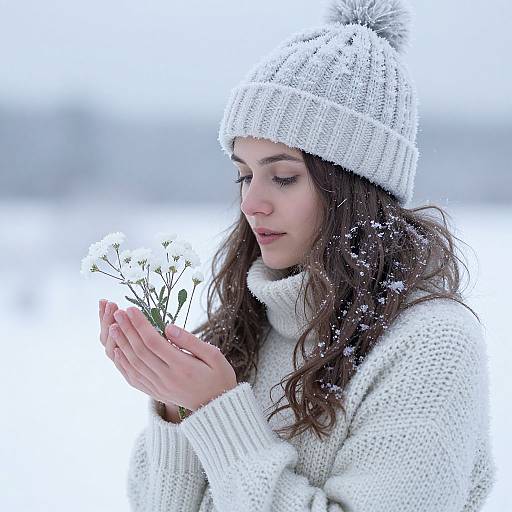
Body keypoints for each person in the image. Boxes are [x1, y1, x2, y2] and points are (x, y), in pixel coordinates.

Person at [99, 0, 496, 510]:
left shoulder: (431, 346)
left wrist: (218, 411)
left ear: (356, 186)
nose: (250, 202)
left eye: (283, 176)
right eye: (244, 173)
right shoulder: (246, 325)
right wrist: (181, 409)